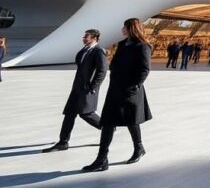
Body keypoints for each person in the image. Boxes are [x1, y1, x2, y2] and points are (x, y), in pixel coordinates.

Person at [83, 18, 152, 172]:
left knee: (131, 121)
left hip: (130, 90)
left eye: (124, 27)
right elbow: (114, 63)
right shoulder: (122, 44)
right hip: (115, 89)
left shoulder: (142, 46)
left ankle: (138, 148)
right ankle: (102, 159)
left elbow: (144, 70)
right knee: (107, 122)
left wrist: (133, 87)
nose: (122, 29)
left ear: (131, 28)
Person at [44, 29, 108, 152]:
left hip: (87, 89)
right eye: (84, 36)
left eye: (86, 37)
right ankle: (63, 142)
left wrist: (93, 86)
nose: (83, 38)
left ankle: (107, 129)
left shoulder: (98, 51)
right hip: (77, 87)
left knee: (86, 113)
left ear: (94, 38)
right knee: (69, 114)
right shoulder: (84, 50)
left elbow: (102, 70)